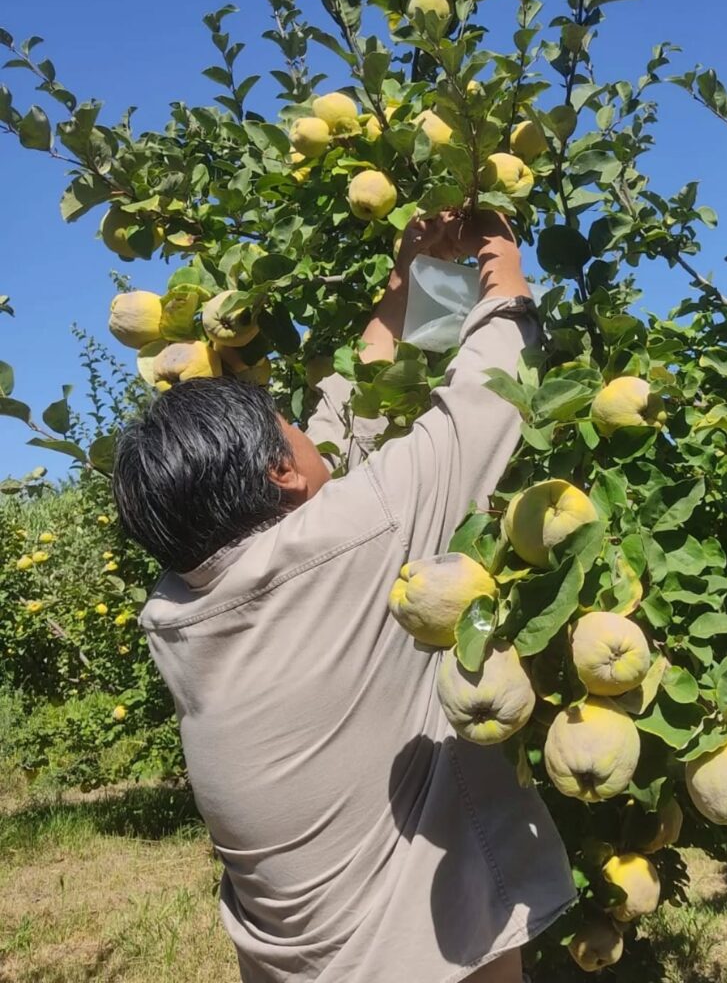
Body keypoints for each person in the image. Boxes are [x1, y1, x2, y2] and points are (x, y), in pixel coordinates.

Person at [113, 211, 576, 983]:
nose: (307, 426)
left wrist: (400, 284)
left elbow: (335, 431)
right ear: (280, 475)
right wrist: (502, 263)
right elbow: (491, 399)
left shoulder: (178, 609)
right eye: (286, 424)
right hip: (418, 959)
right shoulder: (360, 537)